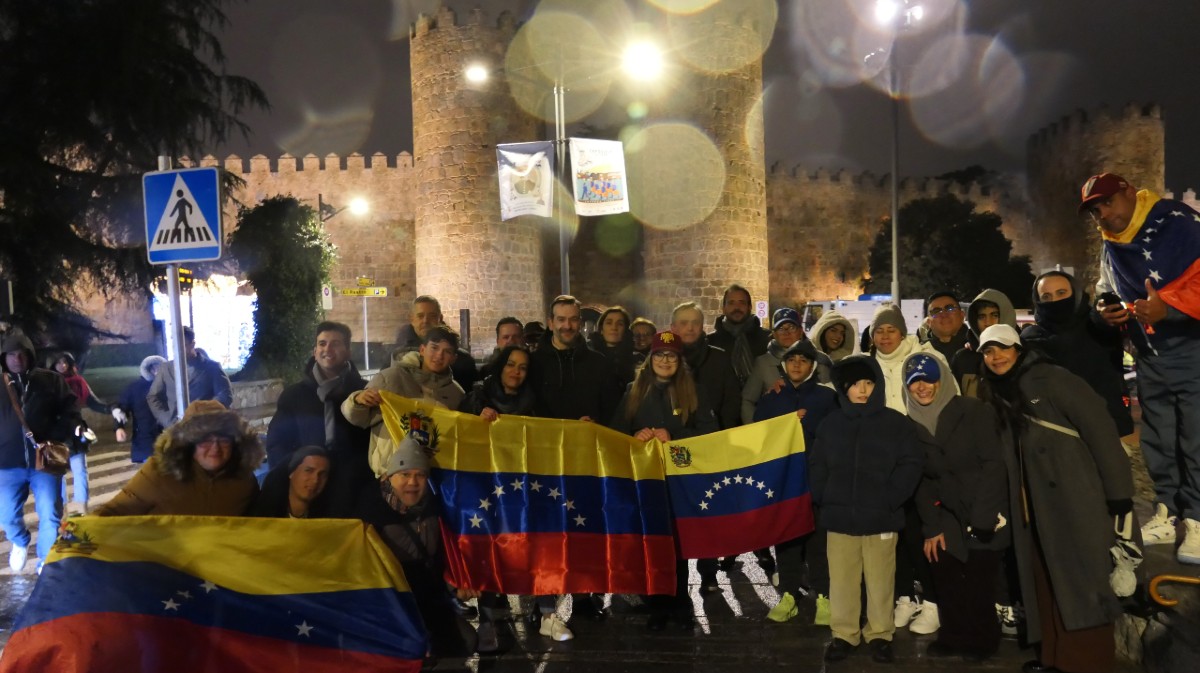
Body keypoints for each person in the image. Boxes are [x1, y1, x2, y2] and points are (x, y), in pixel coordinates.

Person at [978, 324, 1134, 673]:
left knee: (1081, 584)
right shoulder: (998, 391)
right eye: (988, 352)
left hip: (1074, 503)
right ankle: (1053, 657)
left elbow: (1102, 435)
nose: (996, 357)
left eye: (1002, 348)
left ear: (1019, 349)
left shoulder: (1055, 380)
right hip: (1034, 512)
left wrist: (1120, 497)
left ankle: (1085, 664)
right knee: (1044, 582)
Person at [1084, 173, 1200, 564]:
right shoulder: (1112, 244)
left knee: (1196, 437)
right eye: (1095, 210)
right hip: (1150, 353)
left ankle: (1199, 519)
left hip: (1192, 349)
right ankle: (1168, 510)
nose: (1102, 214)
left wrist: (1172, 309)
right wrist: (1106, 308)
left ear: (1130, 193)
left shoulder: (1177, 221)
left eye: (1107, 203)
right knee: (1159, 437)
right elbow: (1105, 286)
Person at [809, 355, 923, 664]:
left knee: (880, 580)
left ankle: (880, 634)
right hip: (839, 517)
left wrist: (891, 497)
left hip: (881, 517)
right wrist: (824, 495)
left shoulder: (895, 423)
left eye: (869, 382)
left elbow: (911, 463)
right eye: (855, 384)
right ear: (843, 388)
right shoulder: (831, 424)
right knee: (842, 579)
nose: (862, 389)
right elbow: (817, 464)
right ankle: (844, 633)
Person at [903, 352, 1009, 661]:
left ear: (943, 381)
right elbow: (920, 479)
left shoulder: (974, 411)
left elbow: (993, 464)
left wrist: (983, 515)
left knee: (979, 574)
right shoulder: (911, 426)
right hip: (946, 509)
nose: (922, 387)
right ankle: (954, 634)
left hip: (985, 506)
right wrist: (931, 526)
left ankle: (983, 637)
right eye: (914, 382)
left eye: (929, 379)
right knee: (944, 568)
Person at [610, 331, 718, 632]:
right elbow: (615, 434)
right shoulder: (633, 391)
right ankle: (658, 603)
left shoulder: (693, 391)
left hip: (679, 479)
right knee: (653, 542)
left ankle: (680, 603)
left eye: (671, 355)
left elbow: (710, 433)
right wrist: (634, 438)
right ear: (650, 358)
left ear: (679, 360)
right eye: (660, 354)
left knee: (678, 544)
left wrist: (676, 438)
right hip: (645, 480)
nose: (665, 361)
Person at [527, 295, 622, 622]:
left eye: (573, 319)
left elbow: (613, 411)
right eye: (561, 319)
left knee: (586, 530)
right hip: (544, 462)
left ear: (580, 322)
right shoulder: (533, 364)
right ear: (551, 322)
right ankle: (544, 601)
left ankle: (584, 595)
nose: (567, 325)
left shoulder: (599, 364)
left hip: (586, 462)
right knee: (545, 533)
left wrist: (597, 429)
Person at [458, 344, 555, 649]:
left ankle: (548, 613)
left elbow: (551, 436)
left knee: (536, 545)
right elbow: (458, 432)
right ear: (500, 367)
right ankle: (487, 621)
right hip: (487, 486)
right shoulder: (477, 396)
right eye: (511, 365)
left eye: (523, 367)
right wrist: (477, 416)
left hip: (526, 485)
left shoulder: (536, 402)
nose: (516, 372)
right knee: (491, 548)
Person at [357, 438, 481, 660]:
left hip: (427, 601)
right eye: (404, 474)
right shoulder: (369, 513)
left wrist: (455, 587)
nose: (413, 482)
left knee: (466, 643)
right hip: (390, 606)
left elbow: (443, 558)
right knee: (410, 651)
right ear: (388, 477)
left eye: (420, 475)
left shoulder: (436, 507)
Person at [754, 340, 838, 627]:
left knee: (819, 542)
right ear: (784, 365)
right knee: (787, 540)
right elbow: (759, 435)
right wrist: (784, 422)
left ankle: (824, 595)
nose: (797, 365)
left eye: (803, 360)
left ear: (813, 365)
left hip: (816, 482)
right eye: (792, 360)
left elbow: (833, 438)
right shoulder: (771, 398)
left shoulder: (827, 398)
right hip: (784, 483)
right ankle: (788, 593)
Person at [670, 301, 750, 589]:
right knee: (676, 512)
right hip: (674, 448)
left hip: (710, 442)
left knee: (707, 509)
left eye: (695, 322)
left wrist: (723, 436)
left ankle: (707, 573)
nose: (689, 328)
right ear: (673, 327)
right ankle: (675, 579)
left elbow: (731, 398)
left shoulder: (718, 358)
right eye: (683, 322)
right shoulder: (664, 358)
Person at [265, 321, 370, 516]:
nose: (327, 349)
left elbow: (373, 441)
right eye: (322, 344)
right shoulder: (294, 395)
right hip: (305, 486)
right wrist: (291, 475)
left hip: (352, 488)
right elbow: (277, 442)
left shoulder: (363, 393)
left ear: (347, 351)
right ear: (315, 351)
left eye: (335, 344)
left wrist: (358, 473)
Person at [1021, 271, 1135, 442]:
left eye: (1061, 293)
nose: (1055, 301)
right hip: (1060, 432)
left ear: (1076, 293)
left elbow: (1107, 322)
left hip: (1106, 427)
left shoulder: (1098, 325)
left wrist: (1103, 316)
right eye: (1046, 296)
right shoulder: (1031, 338)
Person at [96, 400, 263, 516]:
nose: (215, 448)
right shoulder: (159, 473)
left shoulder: (244, 481)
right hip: (164, 565)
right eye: (205, 440)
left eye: (224, 439)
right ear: (189, 443)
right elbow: (114, 512)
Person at [1, 330, 80, 573]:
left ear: (30, 355)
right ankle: (19, 541)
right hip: (7, 462)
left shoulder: (50, 380)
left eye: (22, 354)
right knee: (7, 516)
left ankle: (46, 560)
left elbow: (70, 409)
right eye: (11, 354)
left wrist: (58, 436)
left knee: (51, 514)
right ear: (4, 357)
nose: (17, 359)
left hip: (45, 460)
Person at [344, 325, 466, 477]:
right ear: (422, 349)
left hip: (433, 474)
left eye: (447, 351)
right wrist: (358, 400)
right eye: (434, 348)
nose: (439, 355)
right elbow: (356, 417)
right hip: (388, 472)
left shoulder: (456, 394)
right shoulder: (390, 378)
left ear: (454, 358)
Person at [868, 303, 952, 414]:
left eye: (891, 330)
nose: (885, 336)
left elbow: (952, 400)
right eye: (879, 331)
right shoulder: (865, 365)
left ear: (902, 334)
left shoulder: (930, 358)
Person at [53, 352, 109, 515]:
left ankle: (83, 509)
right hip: (56, 433)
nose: (62, 366)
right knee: (58, 473)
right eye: (58, 363)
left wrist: (111, 408)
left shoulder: (78, 381)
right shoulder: (49, 383)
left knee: (80, 471)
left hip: (75, 430)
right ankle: (62, 510)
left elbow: (93, 402)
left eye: (65, 363)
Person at [740, 307, 815, 425]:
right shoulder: (763, 363)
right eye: (781, 328)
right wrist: (754, 429)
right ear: (774, 334)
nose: (786, 333)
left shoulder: (817, 359)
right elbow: (748, 400)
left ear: (800, 331)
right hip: (775, 432)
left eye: (791, 327)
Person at [146, 326, 233, 427]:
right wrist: (166, 420)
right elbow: (153, 396)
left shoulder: (212, 367)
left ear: (193, 344)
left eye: (182, 345)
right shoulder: (166, 368)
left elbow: (224, 395)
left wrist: (205, 414)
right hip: (176, 429)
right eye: (174, 346)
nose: (177, 350)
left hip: (205, 428)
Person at [392, 295, 478, 392]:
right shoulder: (395, 357)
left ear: (440, 318)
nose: (425, 321)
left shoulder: (464, 361)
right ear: (412, 319)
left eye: (432, 316)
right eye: (420, 316)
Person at [950, 289, 1018, 398]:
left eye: (994, 315)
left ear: (1006, 315)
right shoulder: (963, 359)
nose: (988, 323)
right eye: (982, 317)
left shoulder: (1024, 354)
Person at [707, 284, 772, 387]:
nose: (737, 308)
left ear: (749, 307)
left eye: (742, 303)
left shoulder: (767, 339)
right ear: (724, 308)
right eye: (731, 303)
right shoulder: (711, 343)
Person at [248, 445, 331, 518]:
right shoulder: (263, 514)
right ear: (292, 472)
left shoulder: (328, 519)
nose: (315, 480)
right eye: (308, 470)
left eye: (322, 475)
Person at [114, 355, 166, 464]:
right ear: (148, 369)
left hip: (168, 437)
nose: (157, 371)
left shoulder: (170, 385)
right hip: (145, 438)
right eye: (154, 368)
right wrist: (119, 427)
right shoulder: (135, 388)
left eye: (159, 367)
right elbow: (121, 408)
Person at [587, 306, 638, 387]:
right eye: (609, 323)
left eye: (620, 324)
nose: (614, 327)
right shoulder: (588, 358)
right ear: (601, 329)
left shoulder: (637, 360)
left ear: (625, 330)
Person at [919, 292, 971, 362]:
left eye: (950, 308)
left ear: (962, 315)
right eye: (936, 311)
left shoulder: (979, 348)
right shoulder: (920, 352)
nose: (944, 314)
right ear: (929, 322)